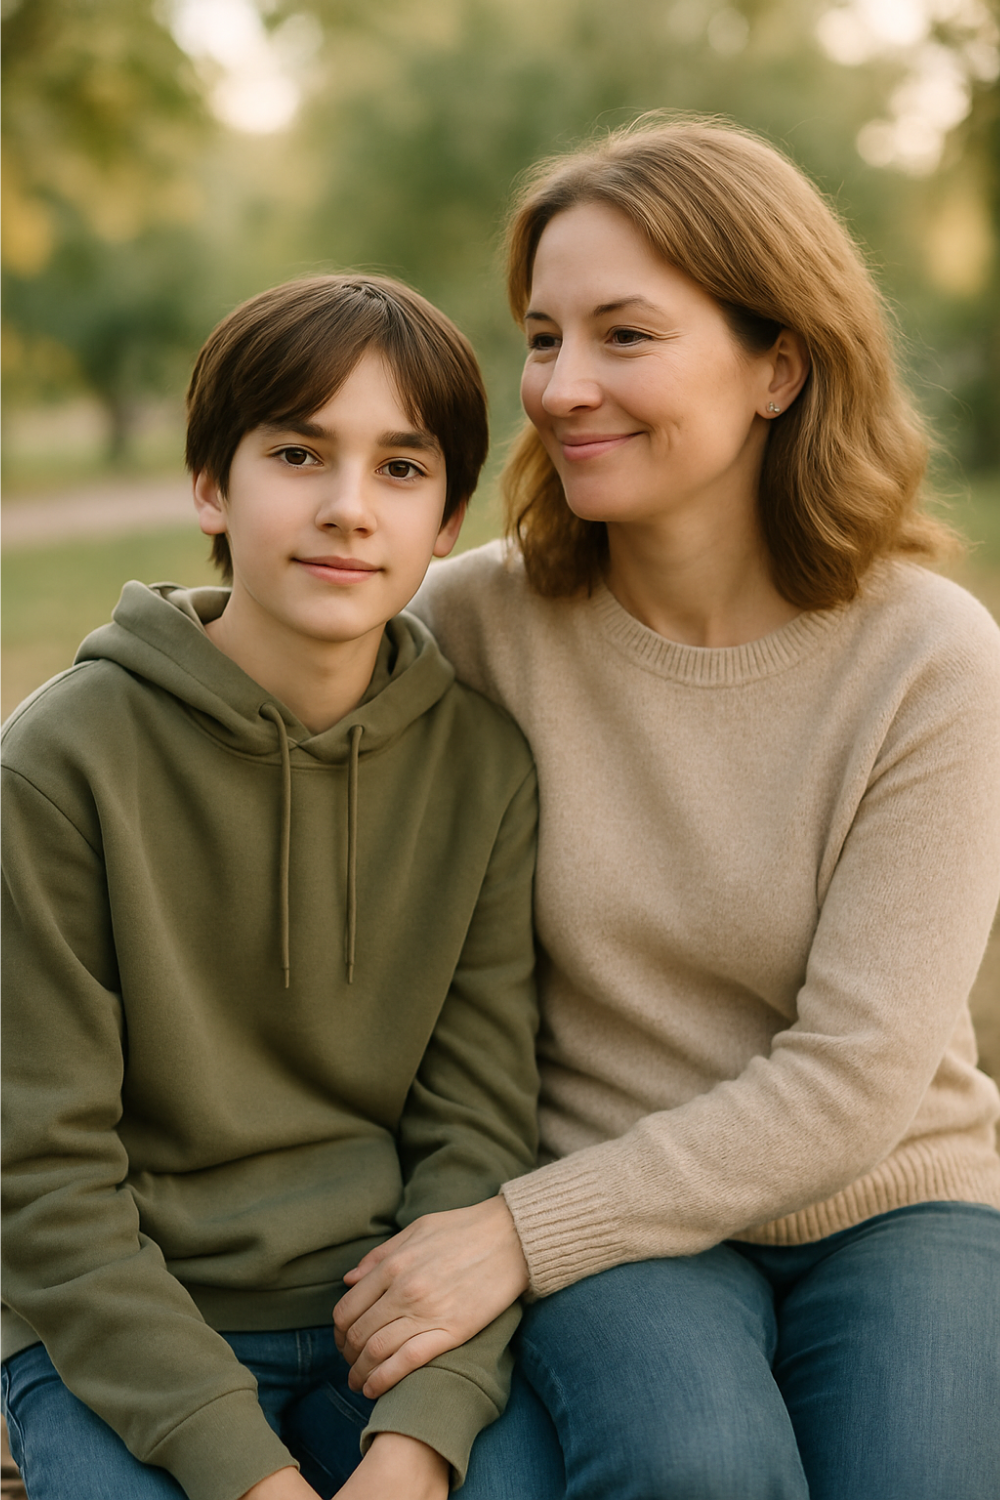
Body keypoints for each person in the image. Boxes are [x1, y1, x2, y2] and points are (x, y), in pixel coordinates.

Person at [331, 120, 1000, 1499]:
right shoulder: (474, 624)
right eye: (542, 337)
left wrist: (511, 1235)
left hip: (891, 1192)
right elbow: (259, 682)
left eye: (624, 336)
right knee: (696, 1469)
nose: (563, 387)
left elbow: (858, 1077)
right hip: (610, 1204)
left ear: (779, 365)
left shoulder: (930, 656)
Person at [1, 275, 541, 1500]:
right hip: (121, 1325)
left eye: (401, 470)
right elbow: (42, 1175)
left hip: (385, 1319)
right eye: (299, 453)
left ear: (450, 517)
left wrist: (416, 1437)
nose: (348, 509)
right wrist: (249, 1475)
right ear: (211, 485)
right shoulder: (60, 764)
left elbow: (479, 1124)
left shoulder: (484, 772)